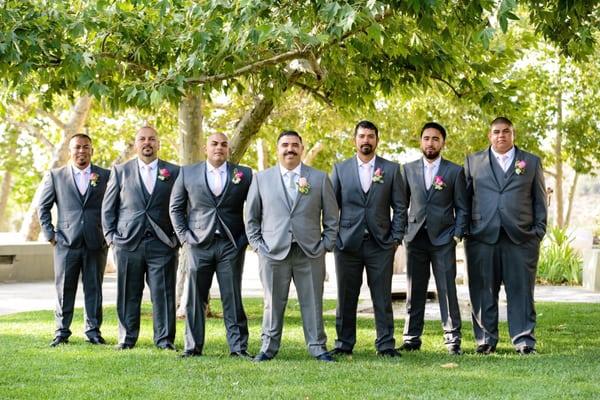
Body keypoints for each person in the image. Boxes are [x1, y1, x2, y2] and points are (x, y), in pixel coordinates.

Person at [245, 130, 339, 362]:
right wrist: (258, 246)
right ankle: (268, 347)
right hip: (273, 252)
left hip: (310, 252)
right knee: (272, 303)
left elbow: (331, 217)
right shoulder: (261, 179)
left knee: (313, 302)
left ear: (302, 148)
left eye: (295, 145)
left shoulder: (318, 178)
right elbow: (251, 217)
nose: (290, 149)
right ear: (277, 149)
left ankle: (318, 347)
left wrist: (325, 244)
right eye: (285, 145)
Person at [464, 117, 547, 355]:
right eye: (496, 132)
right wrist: (466, 230)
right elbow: (464, 199)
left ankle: (524, 340)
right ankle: (485, 340)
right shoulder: (473, 161)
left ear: (513, 134)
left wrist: (538, 232)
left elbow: (540, 200)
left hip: (521, 238)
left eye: (506, 131)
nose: (501, 135)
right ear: (489, 135)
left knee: (521, 290)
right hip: (481, 237)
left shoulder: (530, 162)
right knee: (482, 290)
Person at [170, 133, 253, 358]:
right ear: (206, 148)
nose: (219, 147)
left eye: (224, 144)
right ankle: (192, 347)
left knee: (232, 296)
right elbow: (175, 208)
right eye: (214, 144)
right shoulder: (187, 173)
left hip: (230, 244)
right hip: (198, 244)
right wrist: (185, 238)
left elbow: (255, 208)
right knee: (195, 297)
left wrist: (245, 239)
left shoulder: (243, 174)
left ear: (228, 149)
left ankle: (238, 348)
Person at [329, 120, 406, 357]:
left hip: (380, 244)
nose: (366, 140)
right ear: (355, 140)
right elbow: (331, 208)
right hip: (347, 244)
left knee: (382, 296)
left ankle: (385, 344)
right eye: (362, 136)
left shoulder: (391, 169)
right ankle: (344, 343)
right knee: (346, 296)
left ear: (377, 140)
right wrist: (335, 238)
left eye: (370, 136)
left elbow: (401, 207)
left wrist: (394, 238)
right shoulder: (340, 170)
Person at [102, 126, 180, 350]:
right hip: (128, 244)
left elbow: (183, 206)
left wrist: (176, 239)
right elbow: (108, 209)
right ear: (136, 144)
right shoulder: (120, 171)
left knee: (163, 294)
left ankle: (164, 340)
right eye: (142, 139)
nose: (147, 143)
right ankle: (126, 338)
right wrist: (111, 238)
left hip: (163, 244)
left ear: (158, 144)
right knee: (128, 293)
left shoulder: (174, 172)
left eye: (152, 139)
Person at [400, 122, 468, 355]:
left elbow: (462, 207)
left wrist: (456, 235)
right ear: (420, 141)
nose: (430, 143)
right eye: (427, 138)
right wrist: (403, 234)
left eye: (435, 139)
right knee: (414, 289)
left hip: (443, 239)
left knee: (447, 290)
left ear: (443, 143)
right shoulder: (407, 169)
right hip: (416, 238)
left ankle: (452, 339)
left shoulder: (454, 171)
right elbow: (402, 205)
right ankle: (411, 337)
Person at [38, 133, 110, 347]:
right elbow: (43, 208)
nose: (81, 151)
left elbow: (113, 206)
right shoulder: (56, 176)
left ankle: (93, 331)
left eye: (85, 147)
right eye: (77, 147)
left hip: (96, 242)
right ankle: (61, 331)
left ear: (92, 150)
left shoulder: (105, 176)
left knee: (94, 289)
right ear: (70, 151)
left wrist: (108, 234)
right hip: (65, 243)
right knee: (64, 289)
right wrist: (51, 235)